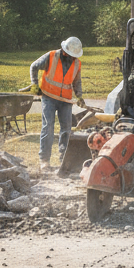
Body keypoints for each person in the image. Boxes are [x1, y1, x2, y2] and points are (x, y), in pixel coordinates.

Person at [30, 37, 86, 170]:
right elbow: (34, 66)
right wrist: (34, 85)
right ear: (65, 50)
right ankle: (44, 160)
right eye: (70, 55)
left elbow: (77, 81)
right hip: (48, 97)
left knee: (66, 129)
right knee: (48, 126)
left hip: (65, 100)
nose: (72, 58)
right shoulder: (51, 56)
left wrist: (79, 96)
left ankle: (64, 160)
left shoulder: (77, 63)